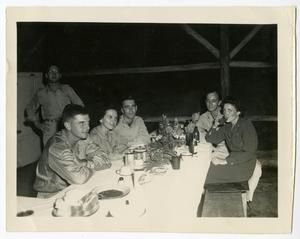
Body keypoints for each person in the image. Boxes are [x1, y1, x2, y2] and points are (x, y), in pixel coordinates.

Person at [33, 104, 111, 198]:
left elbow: (106, 159)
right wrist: (93, 165)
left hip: (74, 189)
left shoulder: (83, 138)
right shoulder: (57, 147)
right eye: (82, 123)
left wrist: (84, 163)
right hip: (52, 196)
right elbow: (79, 178)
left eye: (88, 122)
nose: (87, 127)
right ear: (68, 126)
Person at [205, 97, 262, 202]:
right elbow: (211, 139)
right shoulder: (227, 126)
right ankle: (216, 202)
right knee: (205, 170)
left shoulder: (246, 125)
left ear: (238, 112)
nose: (226, 113)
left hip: (244, 165)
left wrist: (225, 161)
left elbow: (249, 152)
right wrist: (214, 125)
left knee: (208, 173)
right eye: (224, 110)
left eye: (230, 110)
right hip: (234, 162)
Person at [25, 65, 84, 146]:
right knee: (50, 154)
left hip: (66, 126)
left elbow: (80, 105)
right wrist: (38, 124)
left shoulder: (67, 89)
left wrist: (73, 122)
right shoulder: (41, 93)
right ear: (46, 76)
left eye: (56, 72)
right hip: (49, 128)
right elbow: (29, 109)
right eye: (51, 72)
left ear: (60, 75)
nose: (53, 74)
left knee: (69, 152)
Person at [196, 91, 229, 160]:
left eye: (213, 101)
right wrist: (193, 122)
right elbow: (195, 131)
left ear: (219, 102)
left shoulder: (226, 115)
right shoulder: (203, 117)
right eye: (208, 101)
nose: (210, 104)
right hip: (210, 150)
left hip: (226, 152)